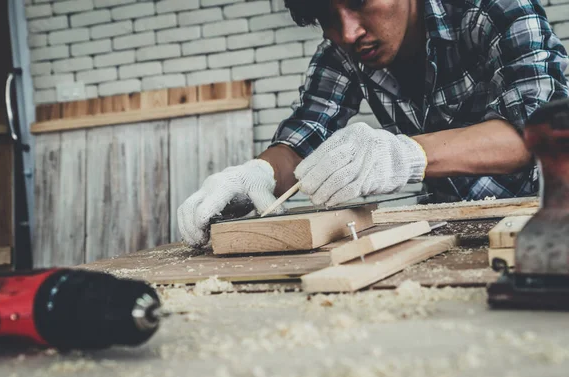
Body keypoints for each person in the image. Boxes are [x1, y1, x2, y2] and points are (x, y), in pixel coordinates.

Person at [178, 0, 569, 247]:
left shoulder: (494, 9)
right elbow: (307, 131)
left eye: (360, 2)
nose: (349, 32)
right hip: (445, 229)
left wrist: (406, 155)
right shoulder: (344, 52)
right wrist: (255, 174)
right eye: (327, 18)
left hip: (542, 223)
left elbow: (538, 132)